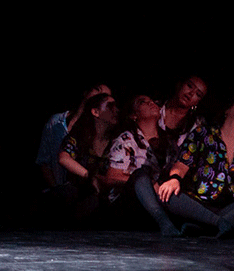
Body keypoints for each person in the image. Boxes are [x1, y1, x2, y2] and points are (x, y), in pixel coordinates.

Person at [156, 98, 234, 238]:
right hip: (199, 202)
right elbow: (182, 163)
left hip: (232, 206)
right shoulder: (203, 133)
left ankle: (205, 227)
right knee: (170, 197)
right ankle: (220, 225)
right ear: (227, 110)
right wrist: (174, 179)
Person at [100, 94, 181, 236]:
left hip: (159, 199)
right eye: (143, 102)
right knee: (141, 173)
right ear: (133, 115)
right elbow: (111, 177)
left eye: (153, 101)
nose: (151, 104)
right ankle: (164, 222)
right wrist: (149, 182)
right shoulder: (127, 139)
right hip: (128, 205)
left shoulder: (169, 142)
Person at [52, 92, 119, 224]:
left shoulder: (116, 139)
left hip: (105, 195)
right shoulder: (80, 135)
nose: (116, 110)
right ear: (95, 112)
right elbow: (63, 158)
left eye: (116, 106)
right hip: (79, 191)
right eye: (110, 106)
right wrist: (90, 177)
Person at [36, 84, 111, 190]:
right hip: (56, 191)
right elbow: (43, 160)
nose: (98, 95)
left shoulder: (99, 131)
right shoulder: (56, 121)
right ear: (86, 92)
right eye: (97, 90)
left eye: (104, 96)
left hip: (83, 193)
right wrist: (56, 190)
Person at [160, 75, 208, 146]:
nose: (191, 93)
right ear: (180, 85)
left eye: (198, 94)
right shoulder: (155, 108)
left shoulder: (196, 128)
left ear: (197, 102)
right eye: (190, 86)